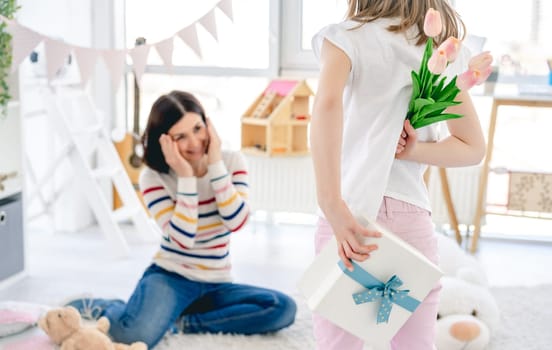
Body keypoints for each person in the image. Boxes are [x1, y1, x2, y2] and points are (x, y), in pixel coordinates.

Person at [309, 1, 485, 349]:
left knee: (338, 343)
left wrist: (331, 203)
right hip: (411, 219)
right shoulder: (441, 50)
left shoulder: (344, 38)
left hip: (349, 215)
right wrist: (414, 150)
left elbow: (327, 106)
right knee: (415, 343)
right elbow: (472, 148)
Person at [67, 91, 296, 348]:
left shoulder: (231, 162)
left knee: (282, 308)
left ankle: (182, 322)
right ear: (164, 141)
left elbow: (237, 222)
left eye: (198, 128)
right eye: (181, 137)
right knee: (131, 336)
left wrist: (216, 164)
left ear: (208, 124)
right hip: (171, 277)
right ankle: (108, 306)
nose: (195, 142)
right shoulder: (153, 178)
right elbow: (184, 238)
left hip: (217, 283)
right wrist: (186, 177)